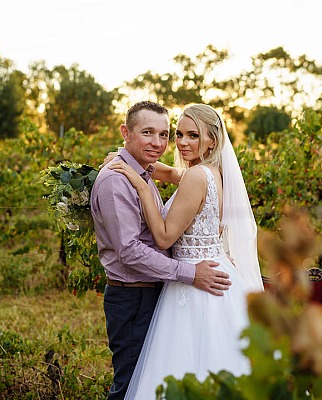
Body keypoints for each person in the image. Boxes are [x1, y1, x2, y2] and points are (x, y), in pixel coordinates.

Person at [109, 103, 264, 399]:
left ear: (212, 141)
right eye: (178, 134)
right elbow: (168, 173)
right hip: (218, 270)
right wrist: (128, 159)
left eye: (193, 135)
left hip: (196, 281)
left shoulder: (196, 176)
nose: (182, 142)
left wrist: (141, 187)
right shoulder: (213, 172)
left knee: (189, 360)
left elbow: (165, 238)